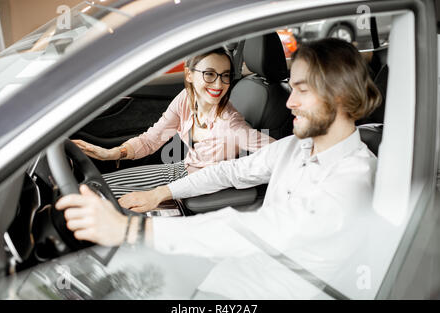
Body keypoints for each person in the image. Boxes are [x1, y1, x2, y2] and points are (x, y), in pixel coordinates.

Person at [56, 38, 382, 298]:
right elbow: (228, 172)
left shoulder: (351, 182)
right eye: (291, 88)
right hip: (234, 269)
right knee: (118, 278)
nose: (289, 102)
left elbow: (257, 231)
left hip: (278, 290)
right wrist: (160, 194)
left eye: (302, 90)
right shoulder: (294, 147)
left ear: (339, 96)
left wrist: (133, 230)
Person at [73, 47, 274, 200]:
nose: (219, 84)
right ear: (189, 75)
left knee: (95, 197)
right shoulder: (186, 99)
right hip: (180, 169)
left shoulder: (231, 126)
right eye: (209, 74)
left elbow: (281, 153)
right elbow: (153, 139)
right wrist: (111, 154)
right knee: (93, 187)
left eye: (225, 76)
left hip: (196, 186)